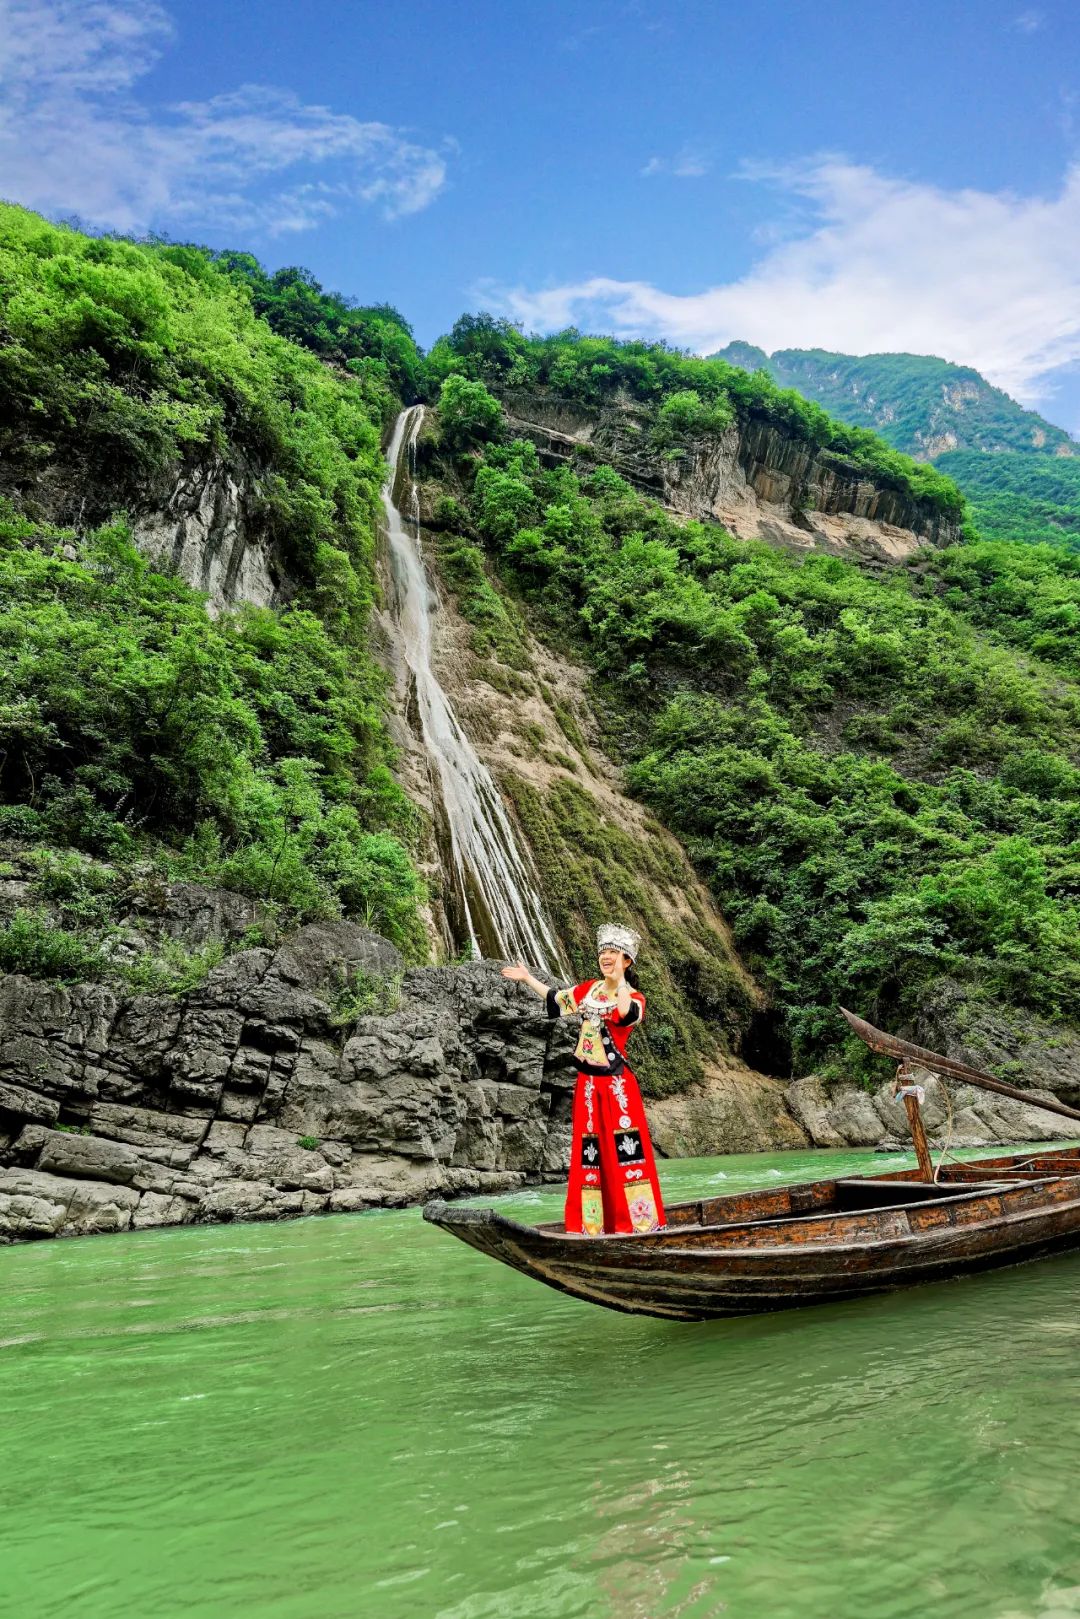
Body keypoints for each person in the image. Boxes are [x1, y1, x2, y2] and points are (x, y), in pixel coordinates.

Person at [502, 925, 666, 1236]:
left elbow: (625, 1015)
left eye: (613, 953)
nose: (606, 957)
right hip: (588, 1087)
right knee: (590, 1153)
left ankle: (637, 1225)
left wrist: (618, 983)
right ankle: (593, 1225)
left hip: (617, 1088)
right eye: (604, 952)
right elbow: (556, 1000)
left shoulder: (634, 996)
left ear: (627, 960)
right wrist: (527, 979)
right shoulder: (589, 990)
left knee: (625, 1153)